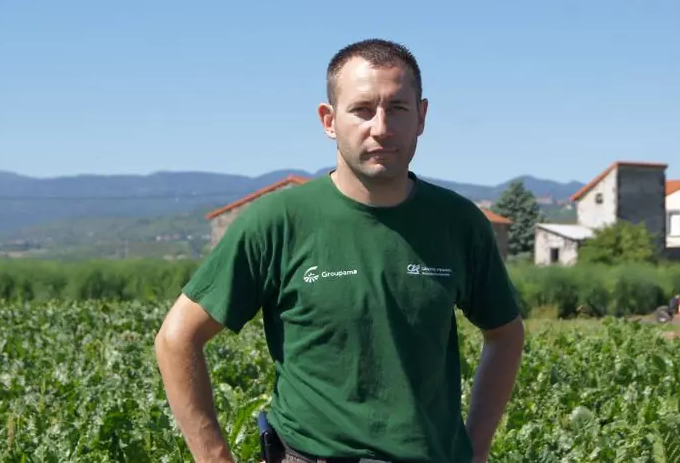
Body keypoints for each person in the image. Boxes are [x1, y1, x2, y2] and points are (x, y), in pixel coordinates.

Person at [155, 38, 525, 463]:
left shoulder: (458, 223)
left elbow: (505, 333)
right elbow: (176, 339)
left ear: (421, 117)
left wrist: (475, 449)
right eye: (362, 109)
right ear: (329, 120)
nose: (381, 127)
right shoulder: (279, 221)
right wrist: (213, 457)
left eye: (398, 109)